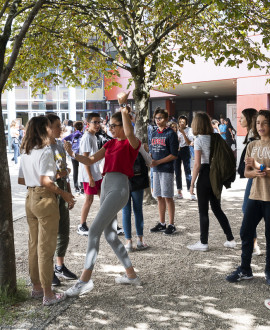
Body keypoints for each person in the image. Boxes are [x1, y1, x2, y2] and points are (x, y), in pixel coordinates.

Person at [64, 99, 141, 297]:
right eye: (111, 125)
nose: (110, 128)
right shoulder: (109, 144)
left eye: (114, 125)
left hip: (118, 189)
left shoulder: (131, 143)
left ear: (123, 125)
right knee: (110, 235)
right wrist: (72, 154)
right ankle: (131, 275)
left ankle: (84, 280)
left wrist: (124, 110)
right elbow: (90, 160)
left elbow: (130, 132)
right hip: (107, 187)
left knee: (93, 232)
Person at [18, 116, 75, 306]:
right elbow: (45, 181)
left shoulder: (26, 150)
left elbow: (22, 179)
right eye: (50, 126)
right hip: (44, 199)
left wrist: (50, 177)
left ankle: (37, 288)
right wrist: (63, 194)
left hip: (30, 197)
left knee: (34, 245)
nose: (53, 128)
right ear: (44, 128)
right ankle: (48, 294)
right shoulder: (45, 151)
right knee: (46, 248)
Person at [226, 110, 270, 284]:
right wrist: (256, 173)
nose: (261, 126)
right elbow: (246, 172)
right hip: (255, 196)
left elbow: (258, 168)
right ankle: (245, 269)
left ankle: (269, 273)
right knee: (246, 232)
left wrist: (260, 168)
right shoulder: (252, 145)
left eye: (265, 122)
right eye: (258, 123)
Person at [187, 112, 236, 252]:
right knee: (217, 208)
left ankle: (203, 243)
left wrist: (191, 184)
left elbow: (197, 164)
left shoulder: (199, 140)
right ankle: (230, 239)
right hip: (216, 175)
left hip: (204, 175)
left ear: (196, 124)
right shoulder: (216, 137)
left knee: (203, 211)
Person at [45, 113, 78, 286]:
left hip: (63, 189)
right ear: (48, 128)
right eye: (57, 126)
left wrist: (69, 191)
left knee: (64, 230)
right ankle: (47, 270)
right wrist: (60, 175)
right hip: (50, 191)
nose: (61, 129)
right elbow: (43, 176)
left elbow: (65, 170)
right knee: (50, 232)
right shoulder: (42, 148)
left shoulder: (59, 145)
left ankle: (60, 265)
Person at [149, 107, 178, 235]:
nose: (157, 120)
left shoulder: (171, 133)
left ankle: (171, 224)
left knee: (168, 196)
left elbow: (174, 154)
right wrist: (149, 159)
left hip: (166, 169)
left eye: (160, 118)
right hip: (155, 169)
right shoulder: (153, 133)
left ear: (166, 119)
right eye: (156, 118)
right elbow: (151, 151)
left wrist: (158, 162)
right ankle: (162, 223)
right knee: (159, 196)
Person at [238, 108, 261, 255]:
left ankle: (253, 245)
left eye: (242, 118)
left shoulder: (255, 137)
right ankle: (254, 245)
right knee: (248, 210)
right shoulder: (251, 135)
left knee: (248, 210)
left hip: (257, 176)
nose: (240, 120)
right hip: (252, 176)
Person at [77, 113, 103, 236]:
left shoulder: (93, 135)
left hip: (96, 173)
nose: (98, 125)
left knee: (104, 198)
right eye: (95, 122)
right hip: (90, 175)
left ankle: (108, 223)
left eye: (99, 122)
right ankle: (82, 225)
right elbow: (85, 159)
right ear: (88, 124)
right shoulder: (87, 137)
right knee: (89, 199)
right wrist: (90, 177)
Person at [122, 143, 152, 252]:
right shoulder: (137, 144)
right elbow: (149, 161)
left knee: (125, 211)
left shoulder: (116, 143)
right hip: (137, 180)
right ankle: (140, 240)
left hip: (123, 180)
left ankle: (128, 242)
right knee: (138, 210)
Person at [174, 115, 196, 201]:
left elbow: (189, 142)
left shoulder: (189, 130)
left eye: (183, 122)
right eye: (180, 122)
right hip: (177, 151)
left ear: (186, 123)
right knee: (177, 171)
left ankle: (191, 192)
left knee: (187, 171)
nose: (181, 123)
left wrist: (183, 133)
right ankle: (179, 192)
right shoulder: (176, 130)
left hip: (185, 150)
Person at [63, 121, 84, 195]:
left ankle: (76, 187)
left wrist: (68, 145)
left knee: (76, 171)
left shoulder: (73, 135)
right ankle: (82, 187)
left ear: (74, 127)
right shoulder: (83, 135)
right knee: (81, 171)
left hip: (73, 154)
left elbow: (64, 139)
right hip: (81, 155)